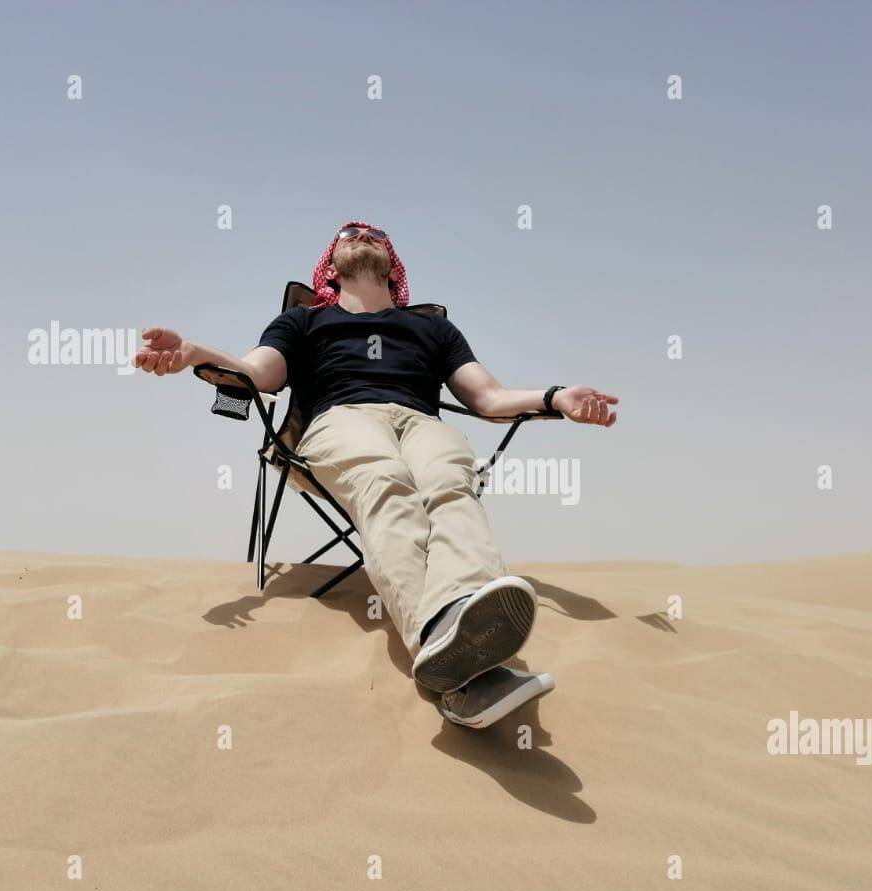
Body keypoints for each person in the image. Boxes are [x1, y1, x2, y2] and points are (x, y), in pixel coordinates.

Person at [135, 221, 619, 728]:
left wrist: (556, 397)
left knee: (451, 485)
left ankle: (461, 631)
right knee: (387, 481)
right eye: (349, 231)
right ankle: (440, 638)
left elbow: (488, 399)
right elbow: (257, 374)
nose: (361, 233)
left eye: (373, 232)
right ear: (330, 261)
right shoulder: (303, 321)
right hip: (341, 421)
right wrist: (194, 352)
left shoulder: (434, 329)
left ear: (391, 260)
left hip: (420, 423)